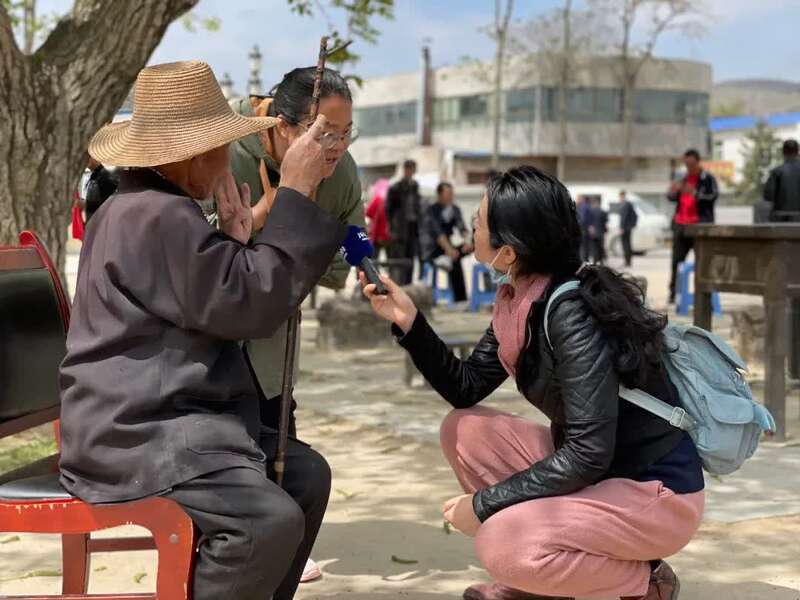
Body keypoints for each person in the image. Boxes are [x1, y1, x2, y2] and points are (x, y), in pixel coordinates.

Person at [58, 61, 346, 600]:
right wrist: (296, 190)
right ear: (191, 155)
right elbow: (251, 306)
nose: (224, 161)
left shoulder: (152, 208)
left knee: (305, 476)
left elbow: (216, 299)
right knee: (265, 522)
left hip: (160, 418)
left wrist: (234, 247)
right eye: (220, 148)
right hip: (135, 431)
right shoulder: (153, 214)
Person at [361, 165, 704, 600]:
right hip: (603, 472)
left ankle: (646, 581)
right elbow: (466, 386)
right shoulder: (521, 300)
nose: (472, 224)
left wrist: (483, 505)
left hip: (654, 493)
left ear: (508, 252)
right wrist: (409, 322)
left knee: (501, 542)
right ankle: (543, 581)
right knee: (463, 430)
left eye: (480, 220)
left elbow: (587, 452)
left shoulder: (570, 313)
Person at [227, 68, 363, 584]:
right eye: (324, 133)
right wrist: (263, 216)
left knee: (279, 421)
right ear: (283, 127)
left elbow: (353, 238)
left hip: (277, 321)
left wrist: (363, 263)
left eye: (345, 134)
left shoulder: (341, 171)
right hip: (211, 323)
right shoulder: (227, 149)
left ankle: (285, 542)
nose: (336, 148)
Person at [666, 149, 718, 304]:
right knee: (676, 262)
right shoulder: (682, 178)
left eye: (691, 164)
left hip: (699, 226)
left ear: (697, 162)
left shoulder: (707, 178)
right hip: (681, 225)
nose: (688, 167)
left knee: (703, 262)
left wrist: (695, 193)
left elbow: (713, 197)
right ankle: (673, 293)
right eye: (686, 164)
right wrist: (673, 191)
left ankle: (704, 294)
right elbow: (671, 197)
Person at [422, 182, 473, 303]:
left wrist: (468, 242)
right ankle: (460, 299)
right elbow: (438, 233)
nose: (451, 196)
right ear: (440, 195)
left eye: (452, 193)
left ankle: (460, 299)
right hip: (433, 248)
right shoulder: (432, 210)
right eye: (448, 193)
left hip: (449, 249)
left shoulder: (454, 209)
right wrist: (449, 250)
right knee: (454, 258)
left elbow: (462, 228)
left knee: (470, 246)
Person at [386, 159, 423, 285]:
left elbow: (417, 205)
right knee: (399, 259)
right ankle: (397, 284)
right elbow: (389, 209)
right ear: (405, 170)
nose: (410, 172)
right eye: (409, 169)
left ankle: (408, 284)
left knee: (410, 257)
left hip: (413, 227)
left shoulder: (415, 186)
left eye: (412, 169)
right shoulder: (396, 187)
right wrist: (392, 226)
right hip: (400, 229)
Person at [763, 138, 800, 222]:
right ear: (798, 151)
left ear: (784, 152)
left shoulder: (777, 172)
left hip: (781, 220)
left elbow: (768, 196)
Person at [366, 178, 392, 259]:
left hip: (377, 236)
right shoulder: (391, 199)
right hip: (390, 235)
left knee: (374, 259)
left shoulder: (377, 199)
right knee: (391, 260)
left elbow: (368, 213)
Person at [618, 190, 638, 268]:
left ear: (622, 196)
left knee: (625, 245)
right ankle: (628, 261)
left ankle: (627, 261)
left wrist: (622, 228)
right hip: (628, 228)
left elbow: (624, 217)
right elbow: (635, 215)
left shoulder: (625, 204)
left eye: (620, 196)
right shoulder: (628, 204)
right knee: (628, 244)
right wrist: (632, 225)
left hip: (625, 228)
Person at [588, 196, 608, 265]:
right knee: (601, 247)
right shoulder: (603, 212)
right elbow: (606, 221)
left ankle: (595, 261)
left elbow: (589, 222)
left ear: (593, 203)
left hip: (593, 232)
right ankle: (601, 261)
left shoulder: (590, 212)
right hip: (601, 232)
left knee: (594, 247)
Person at [575, 195, 592, 262]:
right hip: (586, 229)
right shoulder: (587, 206)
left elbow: (582, 219)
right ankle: (585, 260)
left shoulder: (583, 207)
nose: (576, 200)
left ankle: (583, 260)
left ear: (581, 199)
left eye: (577, 199)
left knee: (583, 246)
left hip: (583, 229)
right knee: (585, 246)